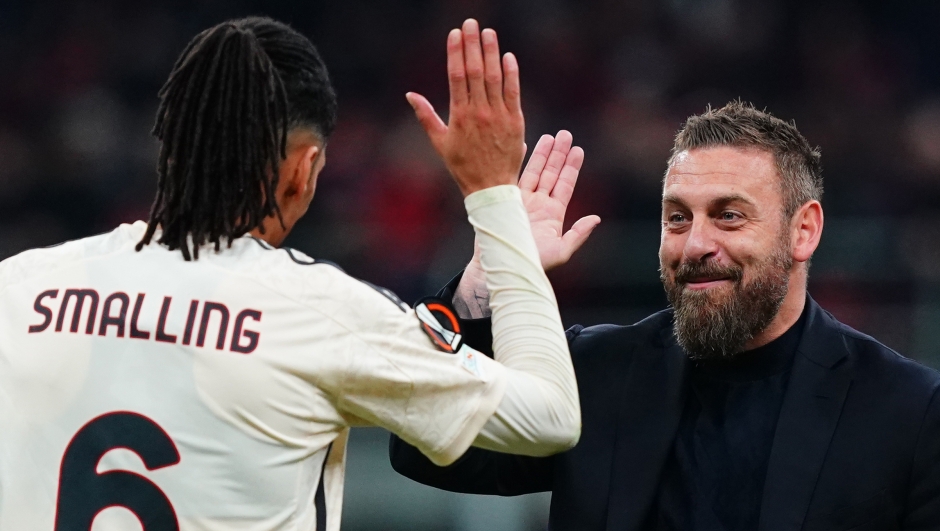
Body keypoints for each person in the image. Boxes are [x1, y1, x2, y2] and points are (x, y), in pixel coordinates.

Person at [0, 17, 583, 530]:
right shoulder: (324, 313)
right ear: (304, 170)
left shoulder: (18, 287)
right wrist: (497, 205)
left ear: (168, 151)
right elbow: (549, 417)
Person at [390, 101, 940, 531]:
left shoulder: (907, 410)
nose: (695, 243)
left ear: (804, 231)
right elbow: (420, 443)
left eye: (728, 216)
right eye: (677, 218)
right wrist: (489, 273)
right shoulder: (590, 373)